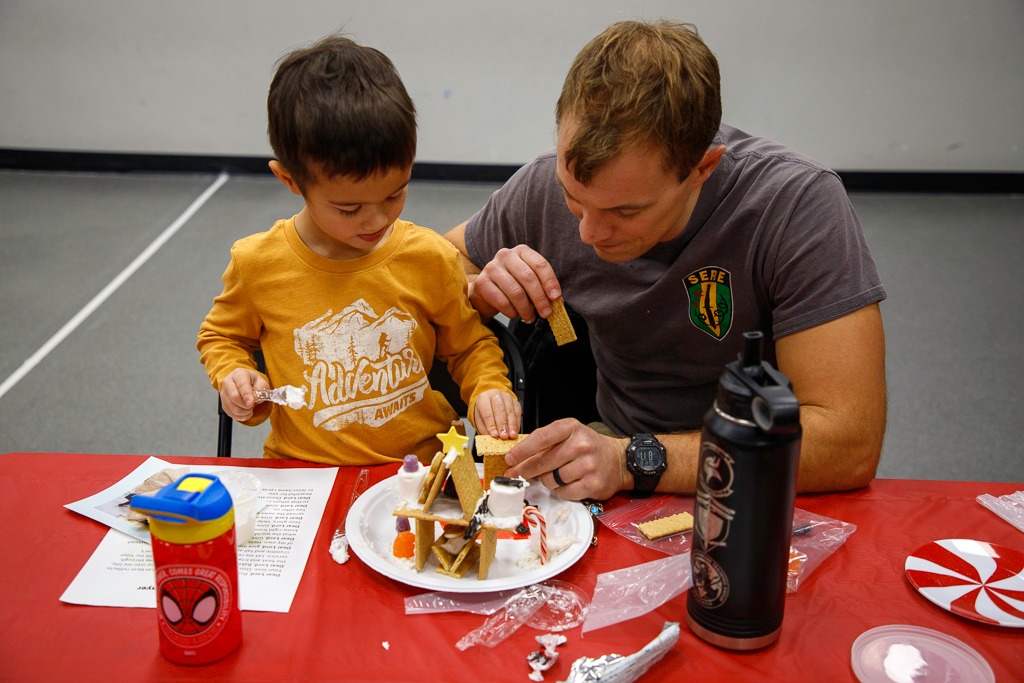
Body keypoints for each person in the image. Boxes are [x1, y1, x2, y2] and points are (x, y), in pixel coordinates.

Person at [446, 20, 886, 500]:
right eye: (574, 198)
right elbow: (432, 264)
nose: (588, 233)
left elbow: (847, 443)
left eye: (625, 211)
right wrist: (476, 289)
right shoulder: (540, 190)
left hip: (764, 481)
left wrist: (634, 459)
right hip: (613, 450)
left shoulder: (794, 206)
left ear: (702, 169)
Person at [198, 35, 521, 467]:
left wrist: (488, 387)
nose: (376, 221)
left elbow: (468, 346)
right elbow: (221, 337)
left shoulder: (428, 257)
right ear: (290, 180)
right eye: (349, 208)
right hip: (303, 472)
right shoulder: (258, 264)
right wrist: (235, 376)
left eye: (395, 194)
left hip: (421, 469)